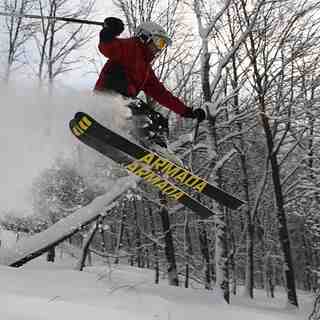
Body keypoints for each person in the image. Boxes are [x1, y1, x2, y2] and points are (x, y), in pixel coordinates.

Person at [94, 17, 206, 149]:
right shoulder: (130, 46)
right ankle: (149, 147)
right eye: (159, 42)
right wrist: (109, 32)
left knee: (159, 121)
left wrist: (187, 112)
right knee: (146, 117)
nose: (159, 48)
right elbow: (107, 47)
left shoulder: (146, 70)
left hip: (125, 105)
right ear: (145, 37)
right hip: (109, 96)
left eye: (163, 45)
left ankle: (154, 151)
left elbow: (162, 94)